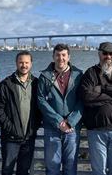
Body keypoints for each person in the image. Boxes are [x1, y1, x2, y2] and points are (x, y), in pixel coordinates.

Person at [80, 42, 112, 175]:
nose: (108, 56)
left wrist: (102, 88)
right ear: (99, 53)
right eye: (105, 53)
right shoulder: (90, 73)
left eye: (111, 53)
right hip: (96, 131)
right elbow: (87, 97)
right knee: (98, 171)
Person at [37, 44, 84, 175]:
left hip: (72, 128)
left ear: (69, 57)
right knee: (52, 168)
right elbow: (41, 101)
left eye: (63, 55)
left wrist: (70, 122)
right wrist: (58, 121)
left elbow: (82, 101)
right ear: (53, 56)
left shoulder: (78, 75)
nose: (61, 58)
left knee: (70, 167)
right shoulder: (44, 76)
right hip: (52, 128)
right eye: (57, 55)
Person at [0, 51, 41, 175]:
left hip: (28, 138)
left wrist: (34, 127)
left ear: (31, 64)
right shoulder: (6, 84)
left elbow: (40, 108)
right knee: (7, 170)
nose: (23, 65)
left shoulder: (37, 83)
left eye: (26, 62)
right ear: (16, 63)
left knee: (24, 171)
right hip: (11, 138)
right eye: (21, 62)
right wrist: (11, 128)